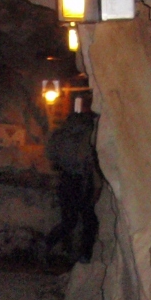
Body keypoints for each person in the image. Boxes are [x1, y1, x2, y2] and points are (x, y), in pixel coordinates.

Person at [43, 111, 102, 264]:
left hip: (66, 179)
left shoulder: (63, 134)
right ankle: (84, 255)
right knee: (88, 220)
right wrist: (96, 189)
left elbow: (51, 155)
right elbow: (90, 163)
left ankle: (52, 245)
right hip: (82, 181)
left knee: (69, 220)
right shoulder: (88, 136)